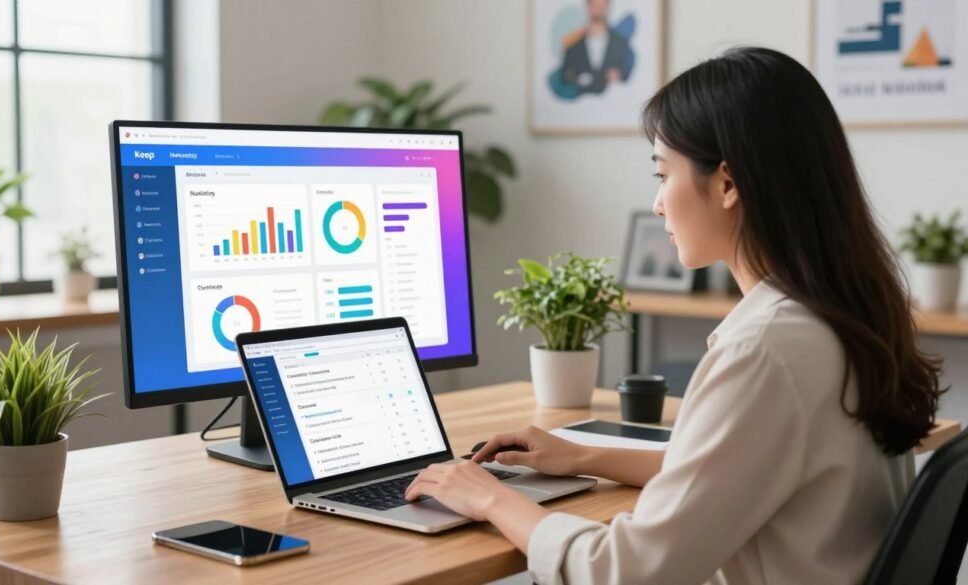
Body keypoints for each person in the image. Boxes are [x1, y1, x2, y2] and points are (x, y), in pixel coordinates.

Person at [405, 46, 945, 584]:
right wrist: (585, 457)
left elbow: (625, 573)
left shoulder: (765, 350)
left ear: (728, 184)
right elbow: (730, 475)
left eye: (663, 173)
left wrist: (491, 498)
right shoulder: (841, 317)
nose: (658, 203)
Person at [558, 0, 629, 95]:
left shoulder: (620, 43)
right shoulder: (573, 45)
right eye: (595, 6)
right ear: (587, 7)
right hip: (580, 100)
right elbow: (565, 76)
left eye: (602, 7)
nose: (598, 11)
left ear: (608, 8)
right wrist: (577, 78)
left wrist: (619, 76)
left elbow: (626, 74)